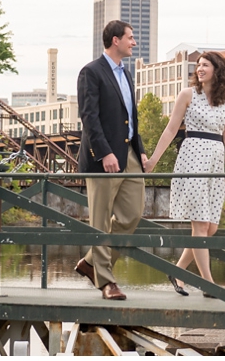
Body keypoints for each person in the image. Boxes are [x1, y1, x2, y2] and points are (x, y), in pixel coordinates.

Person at [145, 51, 225, 297]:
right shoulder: (187, 95)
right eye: (198, 65)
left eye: (205, 65)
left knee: (211, 228)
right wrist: (154, 159)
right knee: (200, 225)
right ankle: (208, 284)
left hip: (215, 163)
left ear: (217, 70)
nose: (199, 68)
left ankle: (178, 271)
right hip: (192, 159)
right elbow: (171, 129)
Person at [74, 20, 148, 301]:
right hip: (102, 157)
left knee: (133, 214)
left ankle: (91, 262)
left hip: (128, 154)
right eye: (131, 37)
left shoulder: (126, 75)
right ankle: (106, 281)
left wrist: (139, 149)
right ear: (115, 40)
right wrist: (104, 152)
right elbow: (89, 117)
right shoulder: (91, 73)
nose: (134, 42)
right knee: (100, 220)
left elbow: (131, 117)